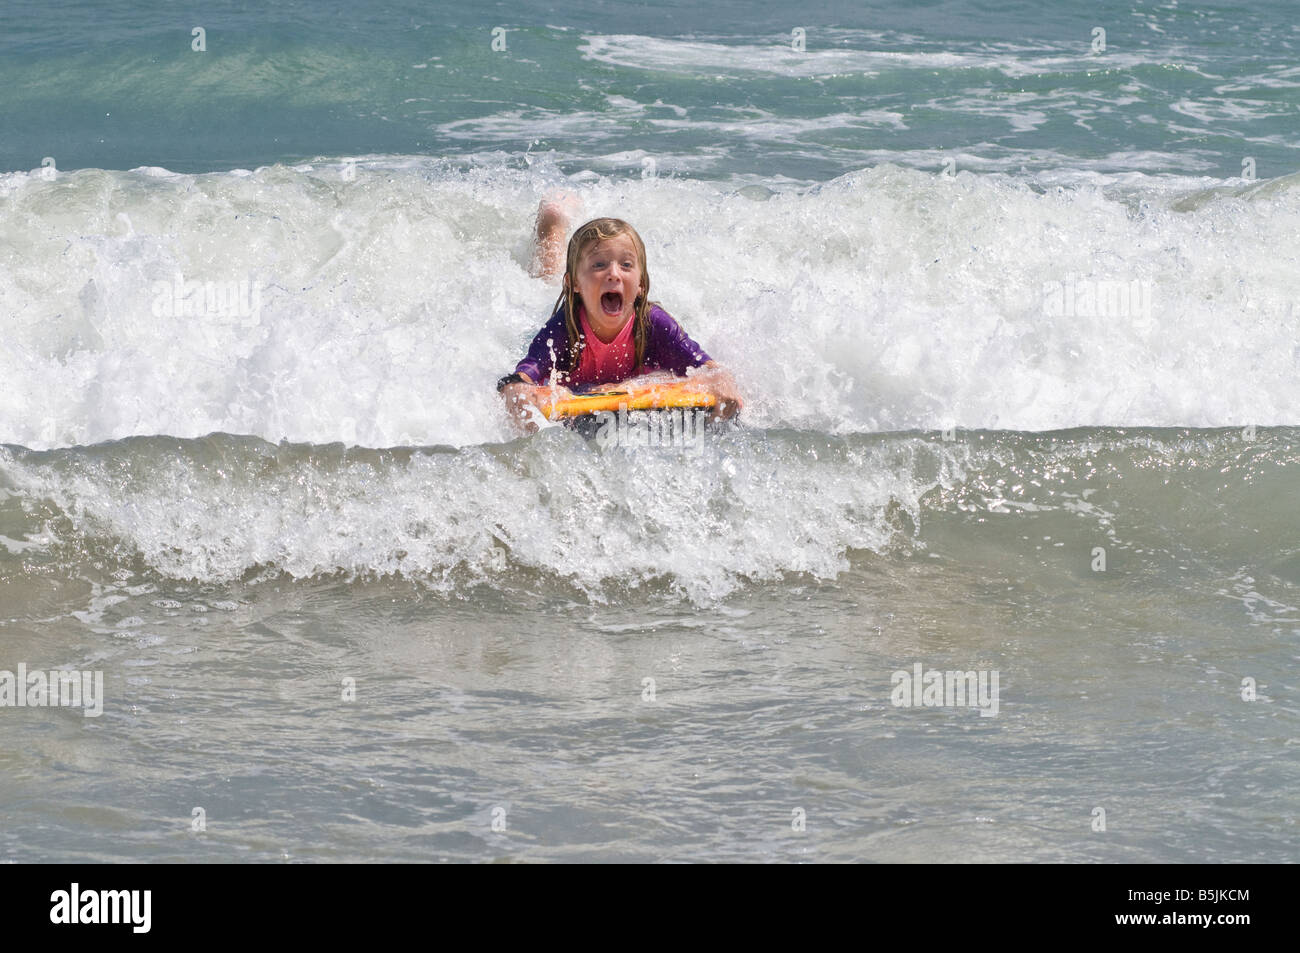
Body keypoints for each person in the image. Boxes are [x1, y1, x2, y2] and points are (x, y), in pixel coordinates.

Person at [499, 196, 743, 430]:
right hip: (548, 307)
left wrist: (723, 384)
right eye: (599, 265)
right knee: (545, 279)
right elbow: (520, 381)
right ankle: (552, 223)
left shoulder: (654, 324)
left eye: (626, 265)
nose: (614, 274)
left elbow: (710, 370)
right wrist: (521, 394)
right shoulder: (564, 329)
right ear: (574, 283)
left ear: (641, 286)